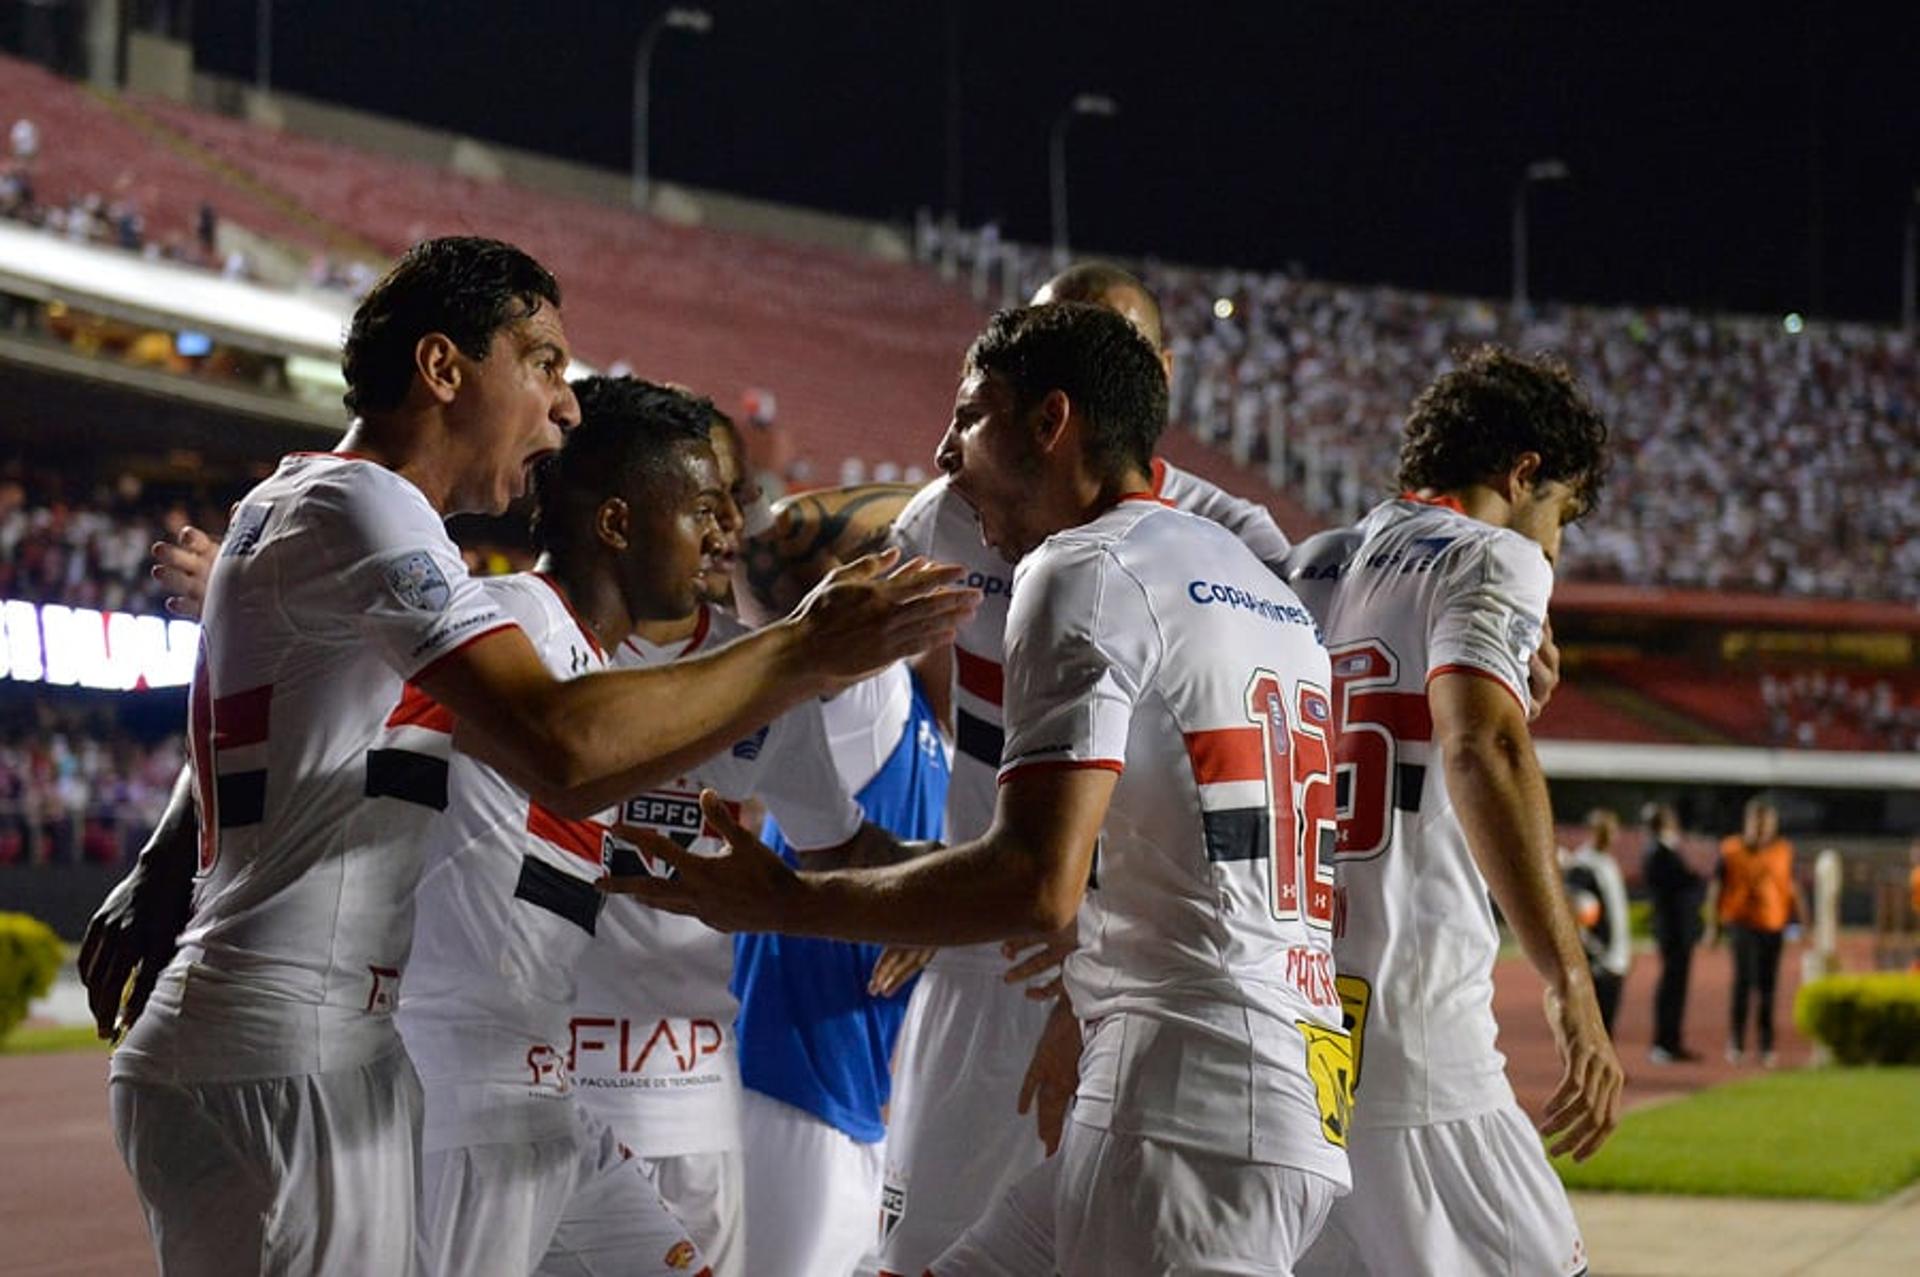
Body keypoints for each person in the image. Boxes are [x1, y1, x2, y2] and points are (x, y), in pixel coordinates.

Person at [78, 236, 975, 1275]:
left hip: (388, 1056)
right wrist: (808, 645)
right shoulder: (369, 508)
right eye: (543, 361)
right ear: (444, 367)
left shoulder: (335, 519)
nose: (566, 402)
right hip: (313, 1048)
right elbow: (564, 744)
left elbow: (302, 713)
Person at [607, 301, 1352, 1276]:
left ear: (1050, 422)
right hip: (1256, 1083)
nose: (942, 451)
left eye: (969, 416)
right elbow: (1137, 860)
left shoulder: (1084, 565)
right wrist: (891, 868)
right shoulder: (1256, 582)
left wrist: (781, 899)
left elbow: (1031, 885)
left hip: (1187, 1104)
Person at [872, 260, 1295, 1277]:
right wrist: (927, 874)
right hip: (987, 955)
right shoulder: (946, 516)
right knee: (925, 1248)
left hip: (1132, 977)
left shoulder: (1228, 539)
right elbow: (870, 660)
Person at [559, 409, 939, 1277]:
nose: (732, 525)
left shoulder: (772, 679)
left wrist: (937, 898)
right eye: (709, 500)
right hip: (540, 1079)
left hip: (694, 1098)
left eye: (739, 502)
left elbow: (845, 847)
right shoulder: (529, 648)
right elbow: (796, 535)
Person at [1288, 345, 1622, 1277]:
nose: (1554, 544)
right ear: (1522, 474)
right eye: (1560, 511)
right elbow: (1482, 745)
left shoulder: (1304, 564)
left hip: (1300, 1032)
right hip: (1423, 1040)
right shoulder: (1494, 554)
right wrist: (1569, 980)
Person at [1708, 797, 1799, 1067]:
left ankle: (1766, 1044)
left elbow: (1791, 886)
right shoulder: (1731, 850)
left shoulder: (1783, 850)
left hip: (1773, 923)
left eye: (1767, 824)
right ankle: (1736, 1041)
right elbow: (1717, 887)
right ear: (1747, 823)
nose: (1761, 830)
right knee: (1743, 983)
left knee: (1768, 987)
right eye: (1757, 823)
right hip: (1741, 922)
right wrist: (1713, 925)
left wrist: (1803, 920)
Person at [1642, 803, 1707, 1063]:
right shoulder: (1659, 854)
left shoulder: (1665, 852)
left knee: (1676, 987)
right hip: (1673, 931)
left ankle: (1672, 1041)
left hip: (1678, 931)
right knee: (1671, 987)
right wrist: (1694, 879)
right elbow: (1681, 885)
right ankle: (1664, 1042)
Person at [1562, 808, 1632, 1036]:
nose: (1610, 836)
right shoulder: (1583, 865)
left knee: (1608, 1024)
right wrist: (1595, 953)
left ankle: (1605, 1072)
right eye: (1604, 830)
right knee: (1593, 1027)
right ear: (1592, 831)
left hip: (1617, 956)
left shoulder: (1608, 862)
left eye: (1612, 831)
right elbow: (1576, 915)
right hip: (1598, 960)